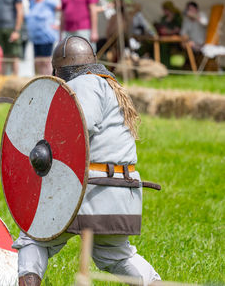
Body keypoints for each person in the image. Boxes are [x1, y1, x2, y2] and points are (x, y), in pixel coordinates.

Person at [13, 36, 161, 286]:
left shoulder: (84, 84)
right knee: (115, 256)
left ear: (62, 69)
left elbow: (78, 126)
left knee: (33, 239)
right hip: (120, 191)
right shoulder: (108, 84)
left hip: (89, 189)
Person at [0, 0, 23, 75]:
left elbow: (20, 11)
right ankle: (2, 81)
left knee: (14, 56)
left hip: (11, 27)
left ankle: (15, 81)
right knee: (0, 56)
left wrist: (17, 31)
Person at [26, 0, 61, 74]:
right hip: (35, 38)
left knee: (46, 62)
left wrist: (59, 24)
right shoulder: (31, 2)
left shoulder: (50, 0)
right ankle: (40, 80)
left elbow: (63, 9)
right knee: (37, 62)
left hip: (46, 37)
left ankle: (48, 80)